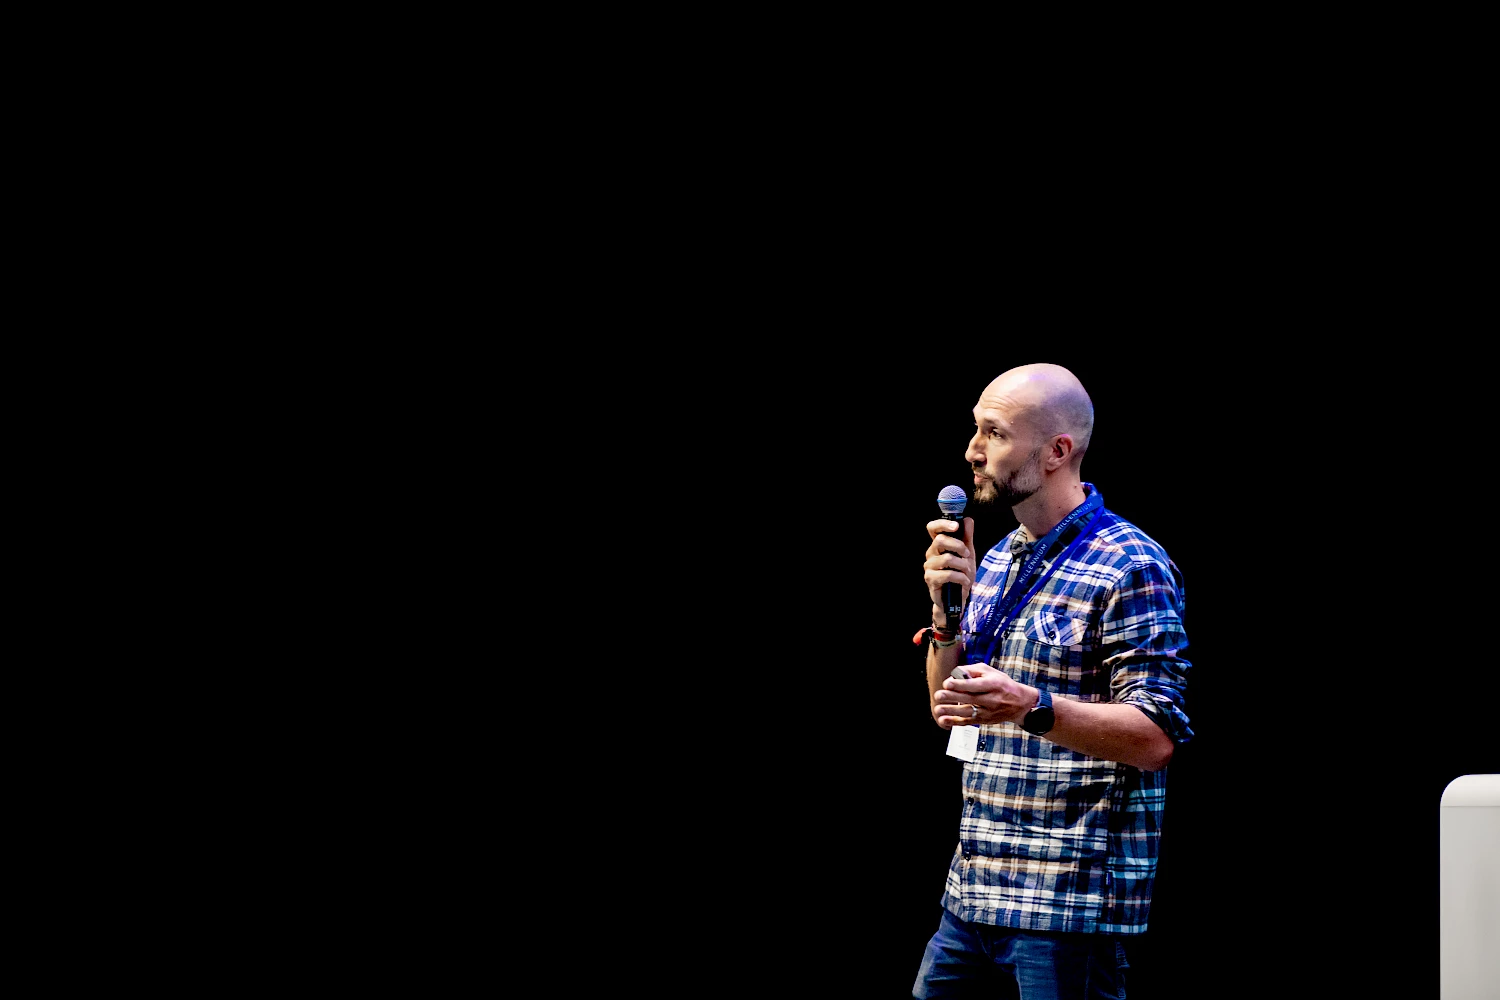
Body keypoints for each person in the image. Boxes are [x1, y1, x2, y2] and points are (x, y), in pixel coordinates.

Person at [911, 363, 1194, 1000]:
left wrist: (1026, 705)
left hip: (1066, 908)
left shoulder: (1131, 565)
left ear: (1056, 452)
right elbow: (946, 706)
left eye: (994, 433)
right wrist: (945, 620)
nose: (972, 451)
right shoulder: (999, 558)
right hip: (972, 894)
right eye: (975, 430)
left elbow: (1155, 738)